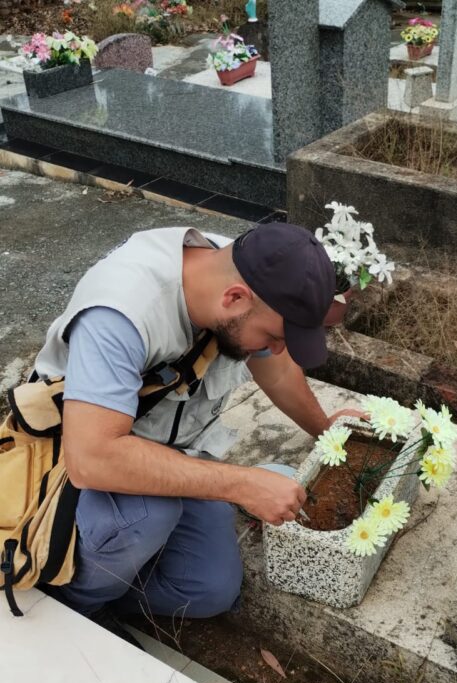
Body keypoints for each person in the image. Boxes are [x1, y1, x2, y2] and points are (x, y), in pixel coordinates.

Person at [34, 222, 363, 628]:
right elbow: (92, 459)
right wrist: (241, 484)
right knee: (147, 516)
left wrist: (328, 430)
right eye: (274, 336)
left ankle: (111, 587)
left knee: (209, 589)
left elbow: (277, 372)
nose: (277, 349)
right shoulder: (121, 312)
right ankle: (69, 602)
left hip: (166, 449)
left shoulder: (236, 272)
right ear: (234, 298)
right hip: (70, 460)